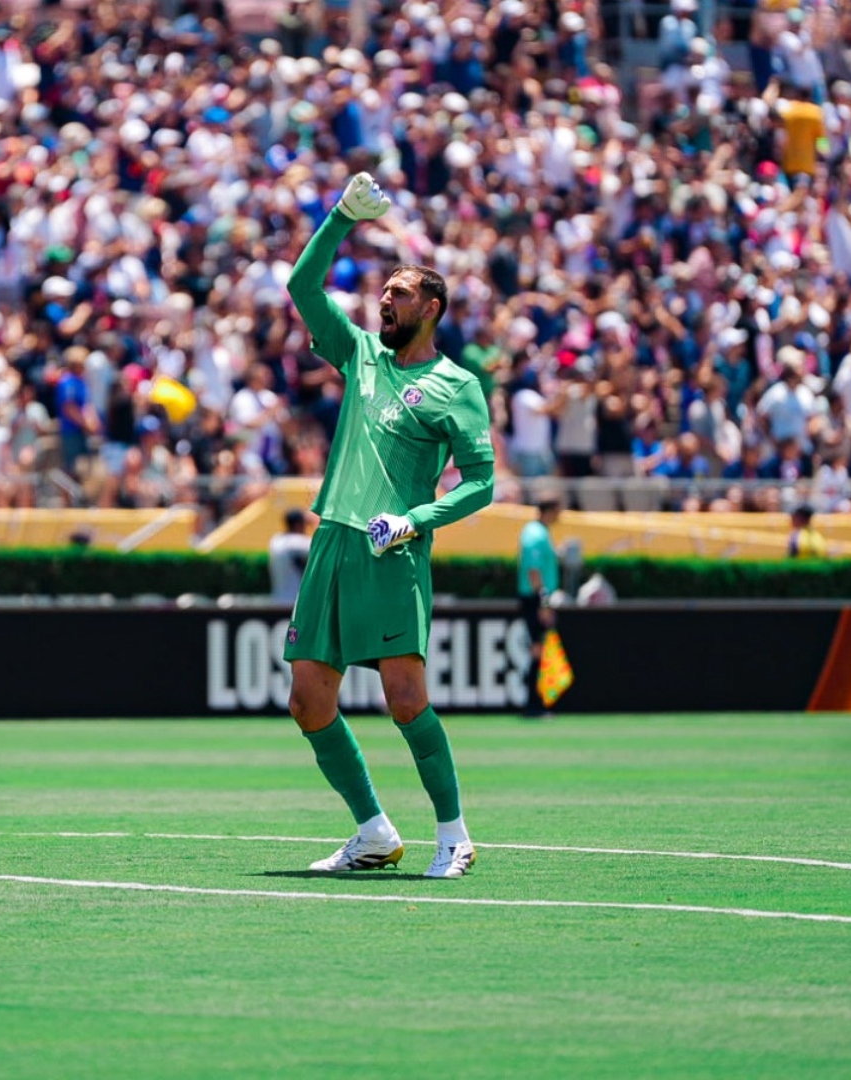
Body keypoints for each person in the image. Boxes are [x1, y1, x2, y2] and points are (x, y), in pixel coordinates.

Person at [282, 172, 496, 880]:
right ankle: (373, 831)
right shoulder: (361, 356)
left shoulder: (457, 386)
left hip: (391, 549)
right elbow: (303, 288)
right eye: (384, 291)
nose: (385, 299)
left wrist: (414, 520)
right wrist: (342, 217)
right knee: (308, 699)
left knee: (406, 701)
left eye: (400, 292)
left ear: (430, 307)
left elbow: (482, 482)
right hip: (334, 540)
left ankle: (455, 834)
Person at [517, 499, 562, 720]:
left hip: (536, 598)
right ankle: (532, 706)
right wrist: (544, 602)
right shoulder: (536, 534)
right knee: (537, 651)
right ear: (550, 511)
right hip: (535, 599)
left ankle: (535, 704)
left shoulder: (537, 532)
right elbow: (534, 572)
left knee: (539, 650)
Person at [268, 508, 312, 605]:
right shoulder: (298, 542)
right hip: (295, 602)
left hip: (278, 599)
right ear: (297, 525)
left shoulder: (276, 540)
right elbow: (324, 549)